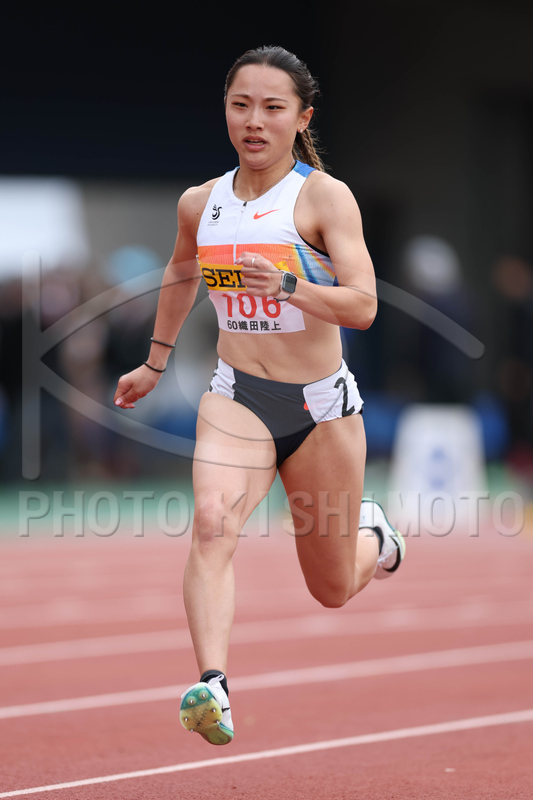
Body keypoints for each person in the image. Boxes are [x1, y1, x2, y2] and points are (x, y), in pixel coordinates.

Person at [113, 45, 406, 746]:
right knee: (213, 522)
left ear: (301, 118)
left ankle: (376, 537)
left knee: (330, 589)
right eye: (240, 104)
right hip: (237, 396)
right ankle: (212, 684)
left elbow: (365, 306)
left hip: (320, 409)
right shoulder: (200, 203)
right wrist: (154, 363)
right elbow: (181, 275)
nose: (254, 121)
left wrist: (289, 286)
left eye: (273, 107)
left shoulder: (324, 198)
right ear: (225, 110)